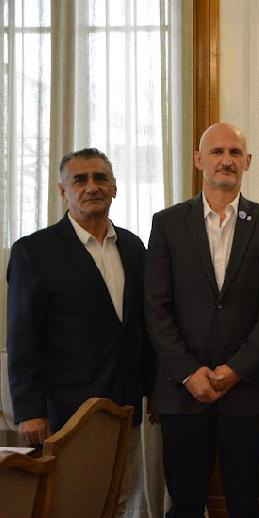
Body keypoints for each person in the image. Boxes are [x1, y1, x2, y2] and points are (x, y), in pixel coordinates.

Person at [145, 123, 259, 518]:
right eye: (217, 152)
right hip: (182, 393)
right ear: (198, 159)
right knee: (185, 505)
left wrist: (236, 369)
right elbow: (156, 307)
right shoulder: (167, 223)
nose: (226, 160)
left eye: (234, 153)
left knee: (245, 504)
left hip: (247, 393)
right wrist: (188, 372)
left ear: (248, 161)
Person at [7, 147, 154, 517]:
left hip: (125, 407)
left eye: (100, 178)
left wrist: (154, 389)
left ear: (114, 187)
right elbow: (22, 338)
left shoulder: (134, 247)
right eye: (80, 180)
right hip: (65, 413)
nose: (92, 187)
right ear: (63, 191)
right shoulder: (33, 252)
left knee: (117, 499)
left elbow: (144, 326)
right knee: (68, 503)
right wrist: (30, 411)